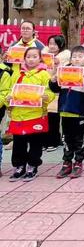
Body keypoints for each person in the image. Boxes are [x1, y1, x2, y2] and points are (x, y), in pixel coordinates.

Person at [0, 47, 53, 181]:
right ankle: (19, 166)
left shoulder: (44, 74)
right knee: (18, 143)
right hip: (19, 114)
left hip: (36, 114)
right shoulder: (17, 74)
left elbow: (50, 91)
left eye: (34, 56)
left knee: (35, 142)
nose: (31, 59)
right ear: (24, 59)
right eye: (28, 56)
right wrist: (8, 99)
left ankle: (32, 166)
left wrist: (46, 97)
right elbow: (11, 91)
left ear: (40, 58)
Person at [49, 46, 84, 178]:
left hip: (80, 111)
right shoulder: (64, 70)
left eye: (80, 57)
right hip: (65, 110)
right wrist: (53, 81)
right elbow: (56, 89)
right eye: (74, 57)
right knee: (66, 138)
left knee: (79, 139)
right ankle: (66, 163)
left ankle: (78, 162)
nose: (76, 59)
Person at [42, 35, 70, 152]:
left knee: (53, 117)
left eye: (55, 44)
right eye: (50, 43)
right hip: (44, 87)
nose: (52, 46)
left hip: (57, 89)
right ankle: (45, 141)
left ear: (60, 45)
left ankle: (54, 141)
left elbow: (65, 72)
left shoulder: (65, 57)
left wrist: (58, 64)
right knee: (44, 117)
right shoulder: (43, 55)